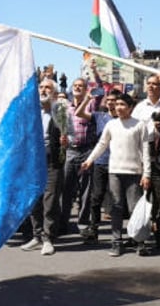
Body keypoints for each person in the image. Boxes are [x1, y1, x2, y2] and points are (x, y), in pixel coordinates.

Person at [80, 92, 152, 257]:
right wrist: (90, 160)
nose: (118, 108)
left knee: (135, 208)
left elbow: (146, 152)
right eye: (117, 105)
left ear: (130, 107)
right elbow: (102, 144)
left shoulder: (140, 125)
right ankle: (116, 242)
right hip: (114, 172)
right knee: (116, 208)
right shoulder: (111, 125)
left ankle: (139, 242)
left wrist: (146, 174)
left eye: (122, 105)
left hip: (134, 173)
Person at [21, 77, 69, 256]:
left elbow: (68, 138)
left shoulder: (60, 111)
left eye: (47, 88)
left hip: (53, 162)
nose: (43, 90)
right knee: (34, 200)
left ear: (54, 93)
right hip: (33, 161)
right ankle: (36, 235)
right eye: (41, 87)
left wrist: (66, 141)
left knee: (50, 201)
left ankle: (48, 239)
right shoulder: (32, 112)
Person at [75, 88, 121, 244]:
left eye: (114, 101)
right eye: (108, 101)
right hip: (100, 161)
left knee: (116, 199)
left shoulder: (124, 118)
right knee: (96, 197)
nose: (111, 104)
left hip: (118, 163)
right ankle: (94, 229)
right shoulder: (100, 116)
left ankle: (118, 232)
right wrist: (87, 99)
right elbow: (79, 114)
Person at [133, 75, 160, 249]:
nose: (151, 87)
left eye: (155, 84)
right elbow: (135, 132)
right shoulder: (140, 108)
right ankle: (141, 235)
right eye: (148, 83)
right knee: (143, 198)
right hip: (144, 159)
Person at [59, 77, 98, 237]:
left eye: (81, 86)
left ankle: (82, 223)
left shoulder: (91, 104)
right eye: (75, 85)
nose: (77, 88)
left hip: (87, 151)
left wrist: (95, 73)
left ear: (85, 89)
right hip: (70, 151)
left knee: (86, 190)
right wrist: (63, 138)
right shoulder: (65, 107)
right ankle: (63, 223)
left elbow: (100, 90)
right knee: (66, 188)